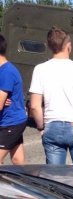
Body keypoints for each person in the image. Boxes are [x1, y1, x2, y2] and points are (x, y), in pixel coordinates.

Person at [29, 26, 73, 167]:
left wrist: (41, 128)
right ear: (68, 46)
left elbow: (35, 106)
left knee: (55, 179)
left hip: (52, 128)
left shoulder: (40, 69)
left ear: (49, 46)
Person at [0, 34, 27, 165]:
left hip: (11, 122)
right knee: (18, 160)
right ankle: (27, 183)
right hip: (11, 121)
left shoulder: (6, 72)